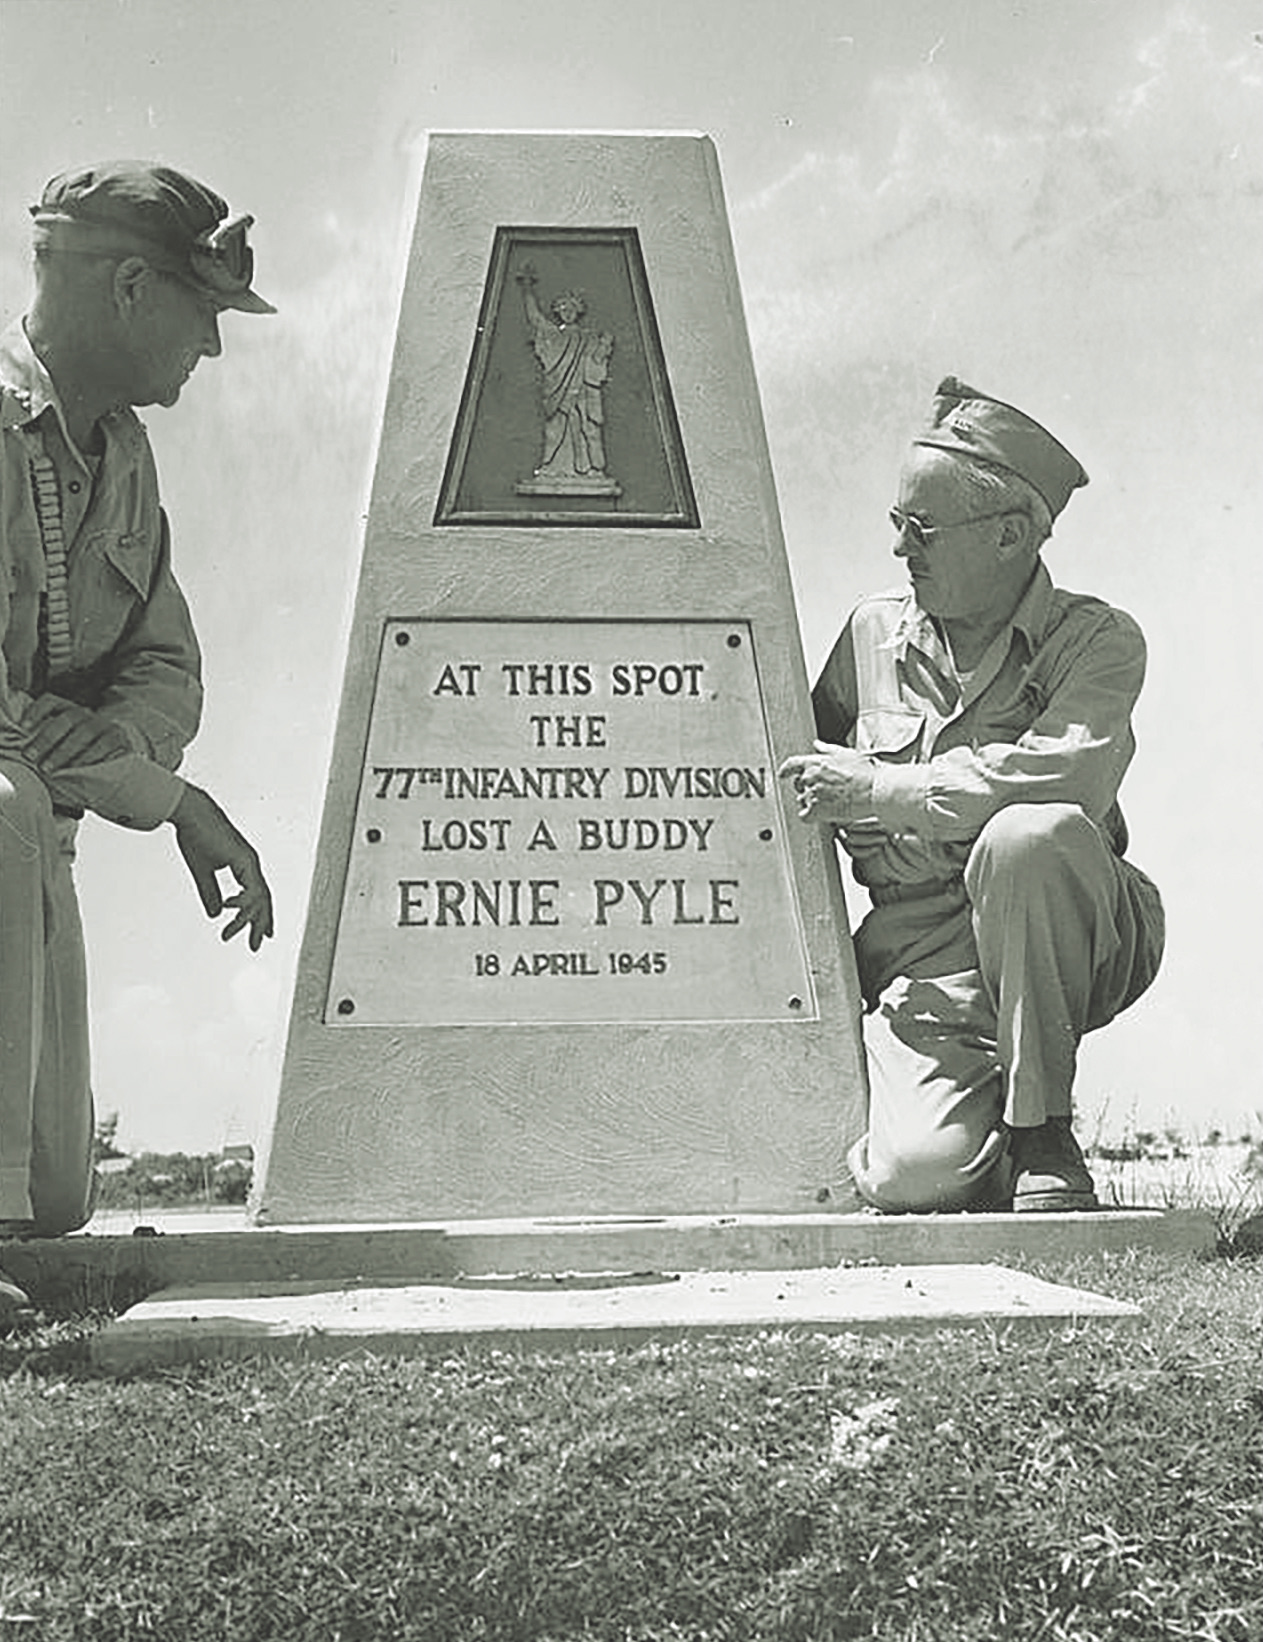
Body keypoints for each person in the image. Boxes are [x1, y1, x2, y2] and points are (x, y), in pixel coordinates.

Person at [779, 377, 1164, 1214]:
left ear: (1011, 536)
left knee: (1028, 836)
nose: (900, 550)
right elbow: (789, 772)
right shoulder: (869, 636)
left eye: (922, 529)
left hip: (1071, 936)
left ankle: (1041, 1131)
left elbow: (1066, 777)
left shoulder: (1097, 642)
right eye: (896, 526)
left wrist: (882, 787)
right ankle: (983, 1121)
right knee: (912, 1178)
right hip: (926, 965)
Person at [0, 162, 276, 1310]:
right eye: (202, 311)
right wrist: (166, 800)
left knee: (54, 1192)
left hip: (33, 849)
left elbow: (165, 660)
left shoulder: (123, 454)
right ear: (127, 287)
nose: (210, 349)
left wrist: (118, 768)